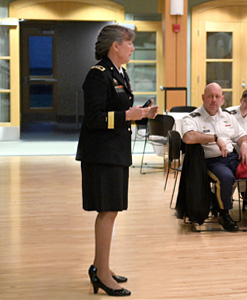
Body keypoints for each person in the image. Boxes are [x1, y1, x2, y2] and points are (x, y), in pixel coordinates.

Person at [76, 25, 158, 297]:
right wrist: (128, 116)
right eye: (129, 43)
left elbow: (121, 111)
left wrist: (142, 114)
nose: (133, 48)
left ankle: (103, 267)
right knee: (107, 211)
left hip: (115, 151)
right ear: (115, 46)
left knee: (111, 210)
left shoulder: (119, 73)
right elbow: (94, 118)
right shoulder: (98, 75)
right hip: (101, 154)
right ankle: (101, 274)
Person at [181, 82, 247, 232]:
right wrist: (214, 138)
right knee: (226, 178)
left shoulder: (227, 116)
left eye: (217, 97)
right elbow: (188, 137)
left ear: (223, 99)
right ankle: (224, 215)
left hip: (232, 159)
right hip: (211, 162)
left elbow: (242, 135)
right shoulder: (193, 117)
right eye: (210, 96)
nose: (214, 100)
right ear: (203, 97)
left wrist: (244, 144)